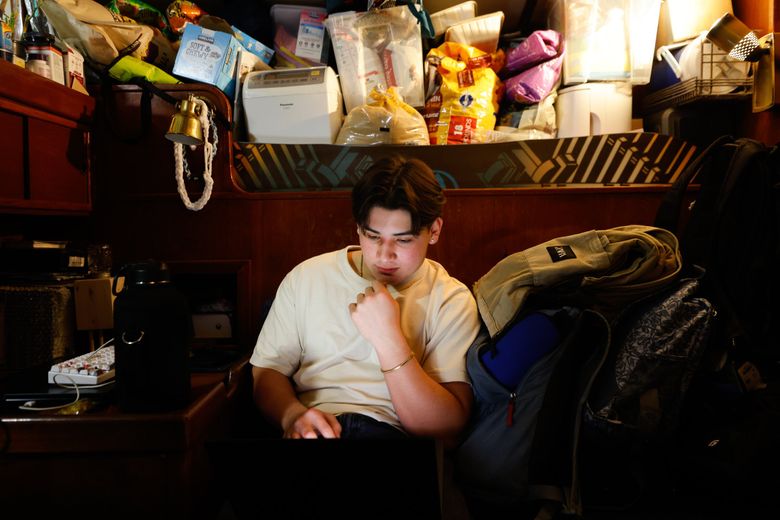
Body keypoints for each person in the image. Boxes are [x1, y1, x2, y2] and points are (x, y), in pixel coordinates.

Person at [250, 155, 481, 443]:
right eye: (373, 236)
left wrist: (389, 339)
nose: (385, 255)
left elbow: (444, 428)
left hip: (392, 437)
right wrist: (292, 415)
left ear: (433, 231)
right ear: (358, 227)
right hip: (314, 431)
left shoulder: (451, 299)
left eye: (403, 240)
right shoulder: (306, 277)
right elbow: (266, 372)